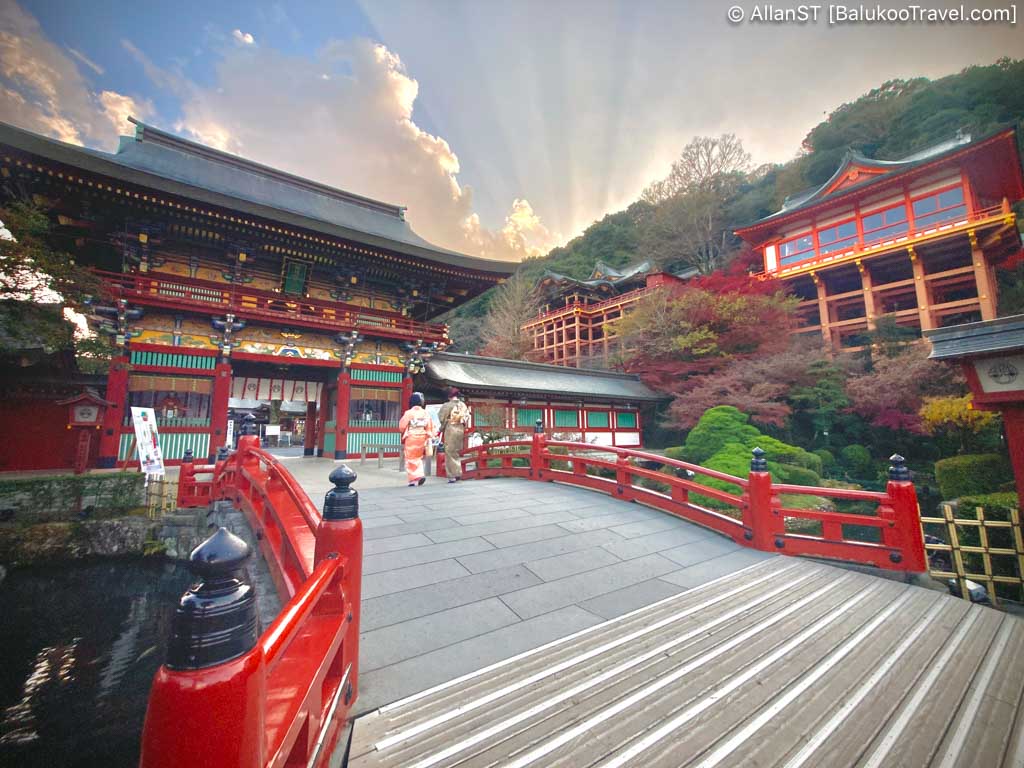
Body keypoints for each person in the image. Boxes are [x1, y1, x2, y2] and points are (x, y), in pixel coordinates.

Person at [399, 392, 436, 487]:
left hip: (412, 436)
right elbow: (430, 426)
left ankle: (414, 478)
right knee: (418, 457)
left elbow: (402, 426)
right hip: (422, 436)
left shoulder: (409, 413)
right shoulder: (425, 413)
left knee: (410, 457)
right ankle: (419, 475)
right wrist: (429, 436)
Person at [437, 387, 471, 483]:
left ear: (449, 396)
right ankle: (457, 472)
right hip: (460, 429)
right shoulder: (463, 405)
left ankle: (452, 475)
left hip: (450, 429)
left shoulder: (447, 405)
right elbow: (466, 417)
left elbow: (442, 418)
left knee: (449, 452)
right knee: (455, 451)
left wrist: (442, 427)